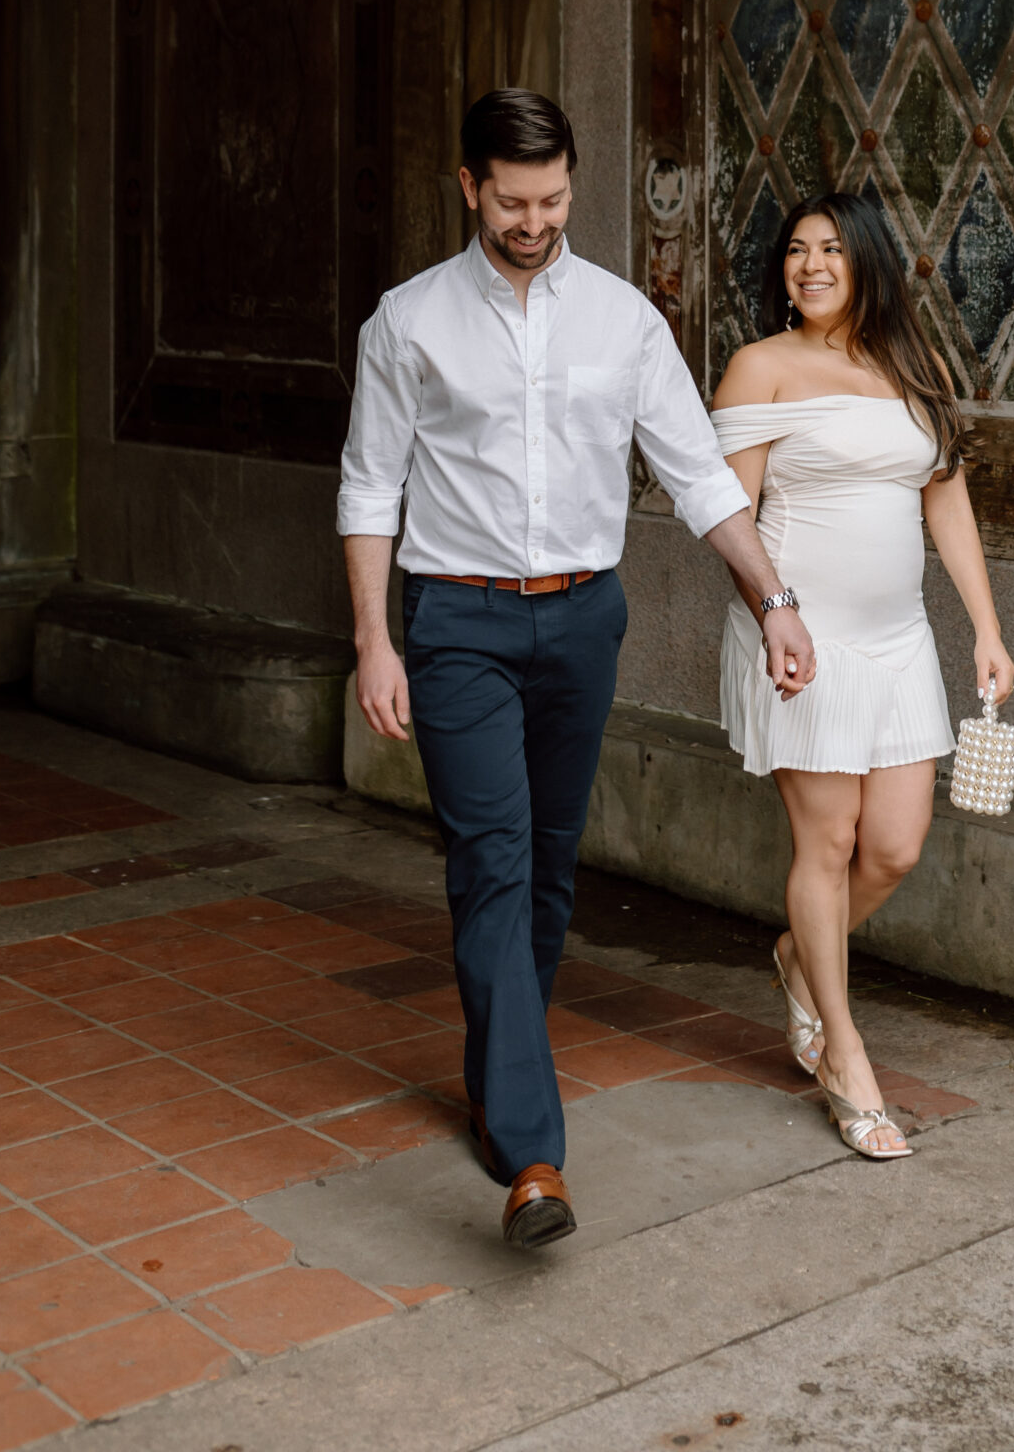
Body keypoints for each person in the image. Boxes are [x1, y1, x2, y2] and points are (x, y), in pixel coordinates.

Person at [337, 90, 812, 1247]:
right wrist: (373, 638)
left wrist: (775, 597)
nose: (533, 220)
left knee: (549, 868)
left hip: (584, 620)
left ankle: (500, 1081)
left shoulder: (624, 322)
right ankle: (535, 1154)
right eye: (511, 201)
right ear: (469, 187)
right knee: (492, 863)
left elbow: (698, 474)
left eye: (551, 199)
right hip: (457, 624)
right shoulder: (407, 322)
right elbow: (369, 485)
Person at [712, 190, 1014, 1161]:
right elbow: (731, 514)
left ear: (869, 260)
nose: (810, 265)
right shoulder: (759, 368)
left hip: (899, 644)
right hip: (804, 642)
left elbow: (947, 496)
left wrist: (985, 627)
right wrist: (773, 612)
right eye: (796, 250)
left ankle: (802, 957)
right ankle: (844, 1056)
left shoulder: (913, 366)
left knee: (891, 848)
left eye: (831, 249)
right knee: (827, 836)